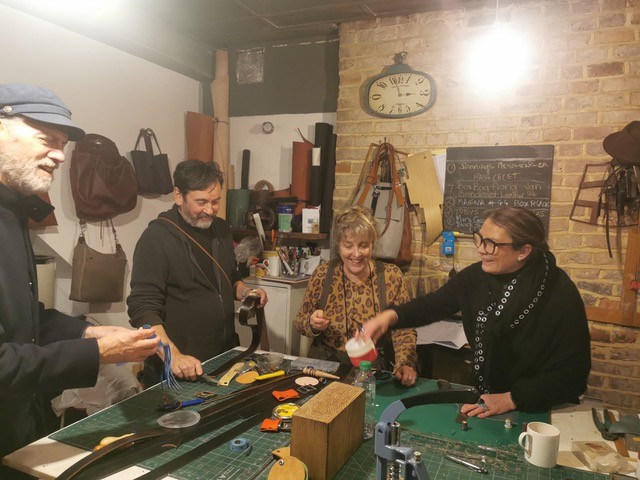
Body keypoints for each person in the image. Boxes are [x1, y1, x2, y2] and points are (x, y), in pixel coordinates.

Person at [0, 83, 160, 471]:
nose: (60, 155)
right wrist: (97, 354)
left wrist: (86, 332)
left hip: (17, 430)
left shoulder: (14, 213)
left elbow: (23, 321)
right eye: (47, 139)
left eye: (63, 144)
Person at [360, 207, 591, 415]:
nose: (480, 249)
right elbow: (433, 305)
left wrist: (511, 399)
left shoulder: (559, 292)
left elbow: (573, 376)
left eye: (491, 244)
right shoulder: (476, 277)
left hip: (539, 408)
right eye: (479, 239)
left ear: (523, 251)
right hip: (486, 400)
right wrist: (389, 317)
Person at [127, 159, 268, 386]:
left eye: (215, 202)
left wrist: (245, 291)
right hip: (179, 366)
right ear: (178, 195)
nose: (210, 210)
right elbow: (143, 308)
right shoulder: (156, 238)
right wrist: (173, 356)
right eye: (201, 202)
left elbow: (228, 277)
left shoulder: (221, 229)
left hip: (223, 356)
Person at [294, 205, 418, 386]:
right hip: (327, 370)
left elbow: (404, 329)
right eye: (348, 245)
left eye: (363, 245)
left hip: (375, 371)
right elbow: (299, 322)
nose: (357, 254)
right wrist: (312, 324)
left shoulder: (390, 276)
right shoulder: (323, 274)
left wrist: (405, 363)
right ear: (338, 246)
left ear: (372, 245)